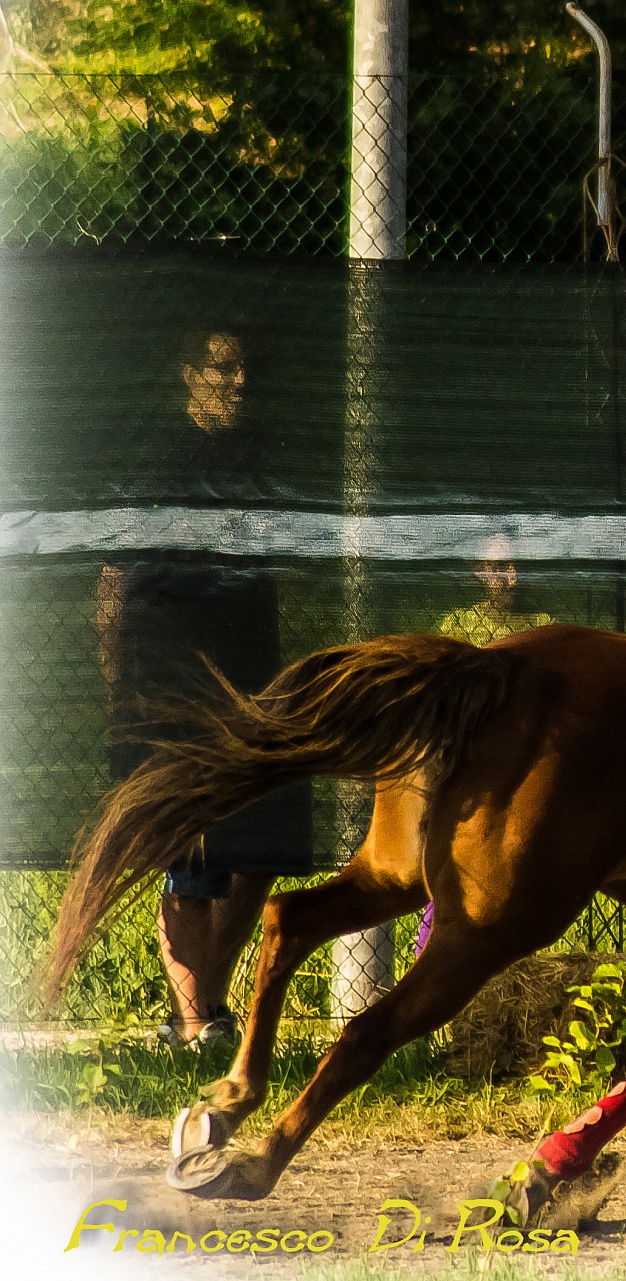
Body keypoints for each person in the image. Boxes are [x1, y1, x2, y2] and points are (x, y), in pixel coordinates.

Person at [96, 323, 311, 1047]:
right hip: (169, 698)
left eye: (243, 370)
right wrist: (116, 686)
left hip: (254, 693)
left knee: (256, 857)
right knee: (189, 862)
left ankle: (203, 1008)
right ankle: (198, 1021)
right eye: (222, 371)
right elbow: (113, 581)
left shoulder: (262, 462)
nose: (236, 384)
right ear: (189, 376)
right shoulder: (155, 466)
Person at [435, 534, 553, 646]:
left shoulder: (542, 625)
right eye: (501, 566)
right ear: (480, 571)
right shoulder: (457, 626)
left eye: (521, 566)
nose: (514, 579)